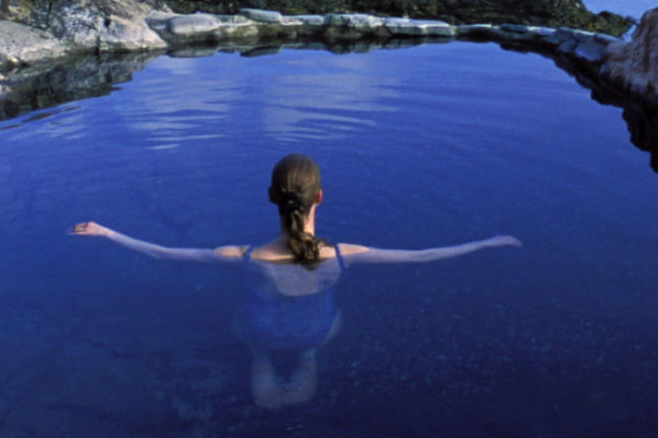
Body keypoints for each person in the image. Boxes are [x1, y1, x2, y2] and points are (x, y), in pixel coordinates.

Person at [70, 153, 520, 409]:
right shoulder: (345, 255)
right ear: (320, 197)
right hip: (318, 332)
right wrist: (487, 242)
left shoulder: (242, 256)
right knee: (320, 326)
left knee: (251, 329)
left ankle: (259, 358)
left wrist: (105, 231)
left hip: (259, 329)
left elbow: (162, 253)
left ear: (270, 197)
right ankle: (307, 359)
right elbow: (424, 257)